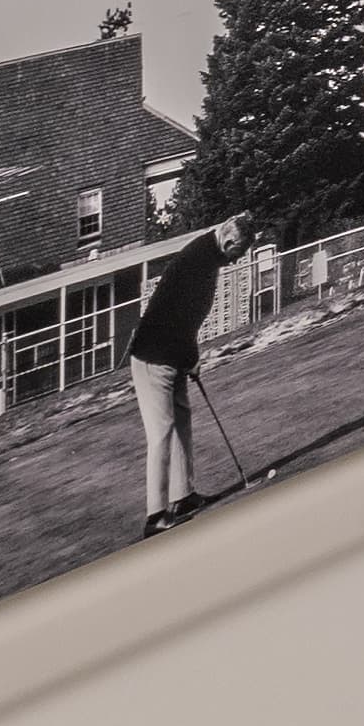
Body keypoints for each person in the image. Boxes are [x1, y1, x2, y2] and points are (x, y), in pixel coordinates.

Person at [121, 203, 241, 535]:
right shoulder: (199, 262)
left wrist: (189, 359)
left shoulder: (206, 255)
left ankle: (183, 496)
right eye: (239, 254)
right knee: (161, 432)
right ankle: (155, 516)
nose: (237, 260)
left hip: (171, 354)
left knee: (182, 420)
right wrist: (191, 359)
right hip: (152, 357)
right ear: (229, 243)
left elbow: (188, 321)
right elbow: (181, 319)